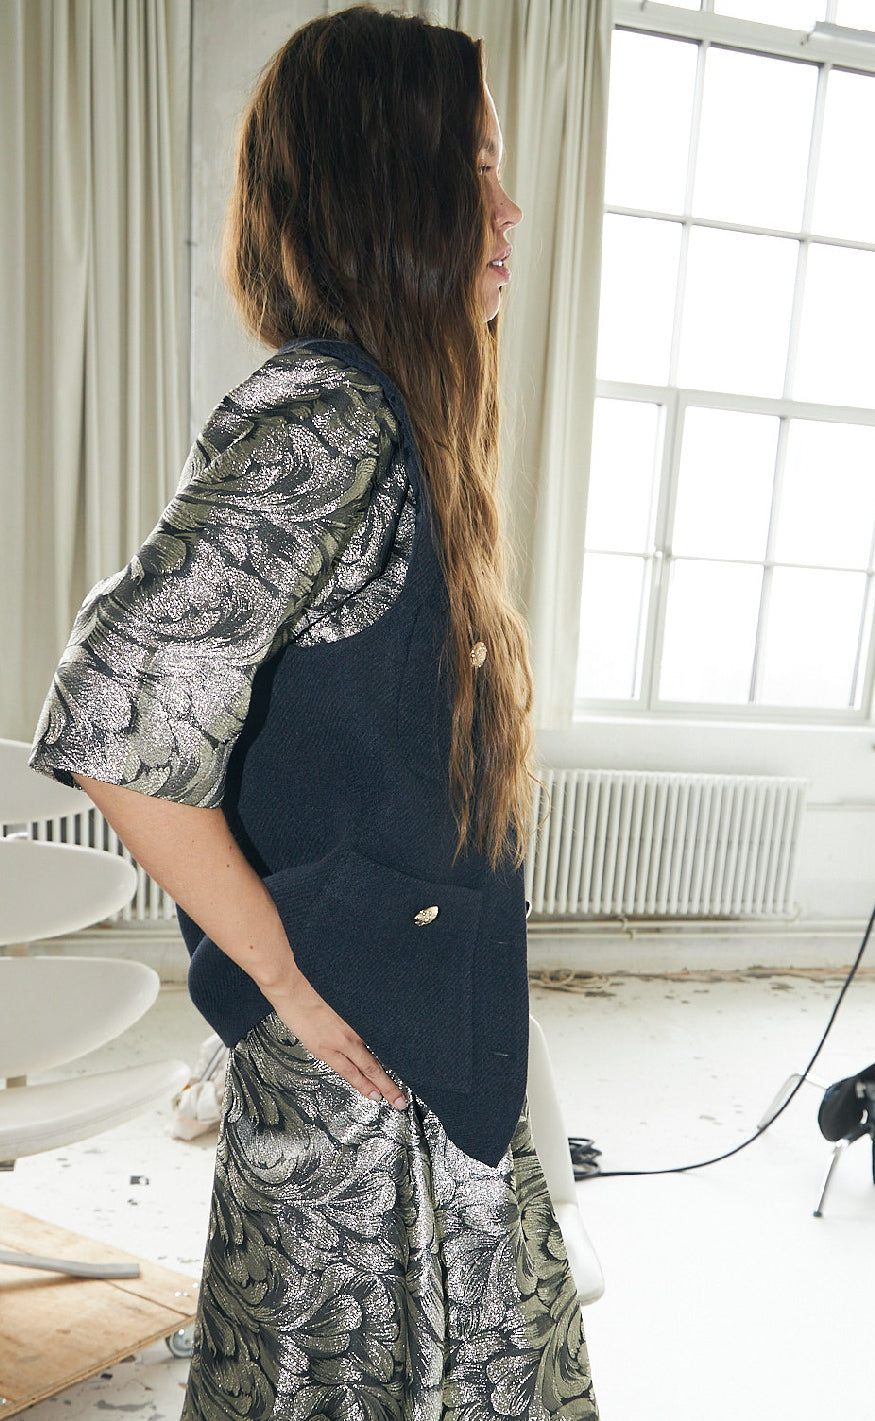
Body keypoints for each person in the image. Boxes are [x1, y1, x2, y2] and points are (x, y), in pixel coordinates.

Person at [30, 7, 599, 1418]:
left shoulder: (388, 417)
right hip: (359, 1068)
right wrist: (282, 979)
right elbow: (118, 705)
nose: (508, 211)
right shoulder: (329, 420)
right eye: (473, 168)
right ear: (385, 192)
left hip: (423, 1030)